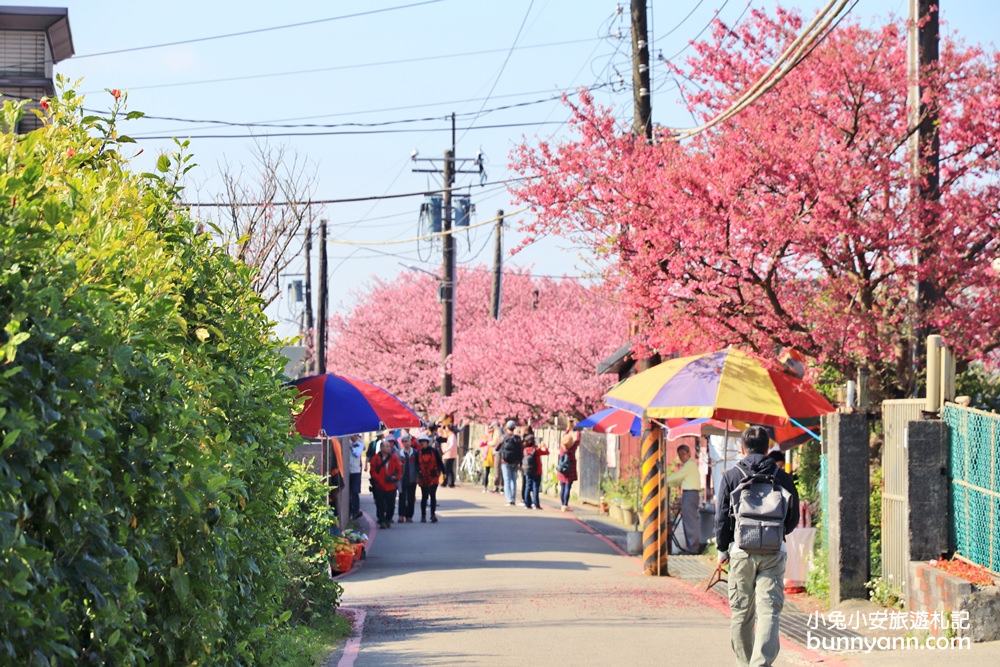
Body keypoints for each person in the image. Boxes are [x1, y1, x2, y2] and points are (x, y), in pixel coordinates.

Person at [716, 425, 800, 667]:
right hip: (774, 553)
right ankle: (761, 664)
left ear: (742, 448)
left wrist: (723, 549)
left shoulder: (732, 476)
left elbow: (721, 517)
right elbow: (792, 516)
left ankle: (744, 663)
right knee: (769, 612)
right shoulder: (781, 476)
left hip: (741, 552)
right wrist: (777, 534)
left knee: (742, 612)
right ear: (767, 448)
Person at [666, 444, 702, 553]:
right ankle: (691, 547)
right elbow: (678, 480)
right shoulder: (689, 465)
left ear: (689, 454)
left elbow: (677, 477)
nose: (681, 457)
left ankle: (693, 548)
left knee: (690, 522)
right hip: (690, 494)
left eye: (683, 454)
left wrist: (662, 478)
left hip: (690, 494)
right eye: (679, 455)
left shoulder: (690, 465)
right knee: (689, 521)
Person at [369, 436, 402, 529]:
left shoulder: (394, 458)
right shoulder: (375, 458)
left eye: (389, 446)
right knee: (380, 505)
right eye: (386, 446)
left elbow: (399, 470)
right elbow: (372, 471)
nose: (388, 448)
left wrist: (395, 478)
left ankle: (388, 519)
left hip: (391, 486)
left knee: (391, 505)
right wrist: (379, 479)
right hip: (379, 486)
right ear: (381, 447)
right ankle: (382, 520)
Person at [416, 434, 445, 522]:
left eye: (424, 442)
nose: (422, 444)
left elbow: (440, 462)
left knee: (433, 495)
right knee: (424, 497)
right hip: (423, 477)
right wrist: (418, 473)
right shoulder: (418, 453)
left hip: (433, 476)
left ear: (427, 442)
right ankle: (423, 515)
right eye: (421, 442)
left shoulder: (434, 452)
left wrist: (444, 472)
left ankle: (433, 514)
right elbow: (416, 465)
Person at [521, 430, 549, 510]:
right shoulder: (536, 450)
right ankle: (536, 504)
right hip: (537, 470)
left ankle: (527, 504)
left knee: (528, 486)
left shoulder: (525, 450)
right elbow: (547, 452)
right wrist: (543, 446)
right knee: (535, 487)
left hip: (528, 470)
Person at [498, 420, 523, 506]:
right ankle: (513, 499)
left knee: (507, 480)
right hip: (515, 462)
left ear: (506, 427)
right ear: (514, 428)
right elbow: (521, 451)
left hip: (505, 461)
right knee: (513, 480)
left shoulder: (503, 437)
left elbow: (497, 447)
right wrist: (521, 463)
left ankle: (508, 499)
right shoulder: (518, 438)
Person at [397, 433, 419, 523]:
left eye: (408, 441)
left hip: (412, 479)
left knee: (411, 498)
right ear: (402, 443)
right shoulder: (399, 454)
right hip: (402, 479)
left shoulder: (415, 453)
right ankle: (401, 515)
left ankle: (409, 516)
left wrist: (418, 476)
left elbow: (418, 465)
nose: (407, 443)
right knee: (402, 498)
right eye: (405, 441)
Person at [556, 425, 580, 512]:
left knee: (562, 487)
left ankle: (562, 504)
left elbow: (563, 438)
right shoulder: (572, 449)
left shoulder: (562, 448)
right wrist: (577, 429)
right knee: (567, 488)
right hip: (570, 471)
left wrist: (568, 429)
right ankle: (565, 504)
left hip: (562, 471)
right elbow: (578, 440)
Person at [479, 422, 499, 493]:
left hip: (494, 454)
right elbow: (481, 444)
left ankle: (496, 486)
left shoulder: (495, 436)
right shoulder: (487, 437)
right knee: (487, 471)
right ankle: (485, 486)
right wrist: (485, 439)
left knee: (496, 472)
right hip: (487, 456)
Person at [348, 434, 364, 520]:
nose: (355, 437)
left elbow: (356, 453)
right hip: (348, 471)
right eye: (354, 435)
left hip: (356, 471)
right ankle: (350, 511)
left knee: (355, 491)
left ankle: (356, 511)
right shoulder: (347, 443)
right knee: (348, 492)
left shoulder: (360, 444)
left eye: (356, 436)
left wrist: (351, 447)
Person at [440, 423, 458, 487]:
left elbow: (452, 445)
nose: (445, 429)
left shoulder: (452, 436)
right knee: (449, 469)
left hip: (449, 455)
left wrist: (446, 450)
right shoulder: (448, 435)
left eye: (446, 427)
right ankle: (451, 483)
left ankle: (444, 482)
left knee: (445, 469)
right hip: (448, 455)